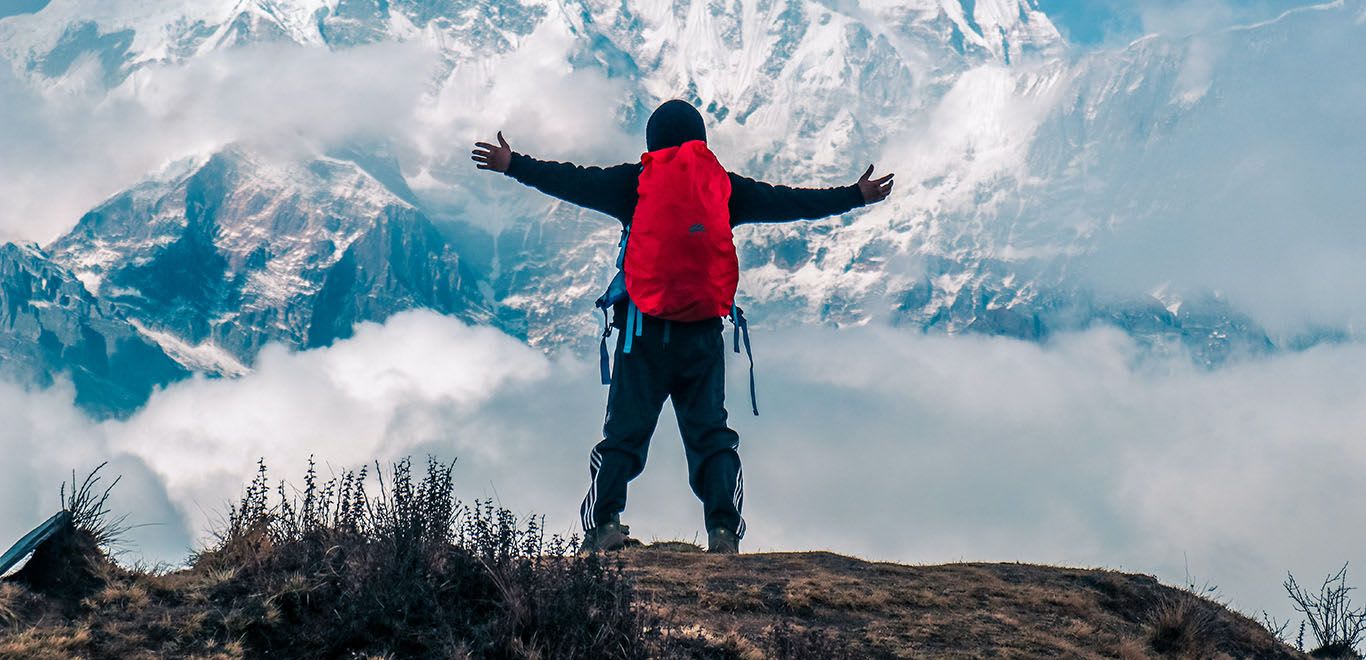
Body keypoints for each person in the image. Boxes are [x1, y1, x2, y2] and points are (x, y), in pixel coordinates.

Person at [472, 100, 893, 554]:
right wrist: (853, 195)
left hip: (642, 333)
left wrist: (513, 164)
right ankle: (724, 532)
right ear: (701, 141)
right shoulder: (724, 188)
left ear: (652, 141)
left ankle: (602, 528)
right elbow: (790, 201)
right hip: (702, 335)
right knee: (711, 438)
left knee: (623, 436)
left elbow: (572, 179)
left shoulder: (632, 183)